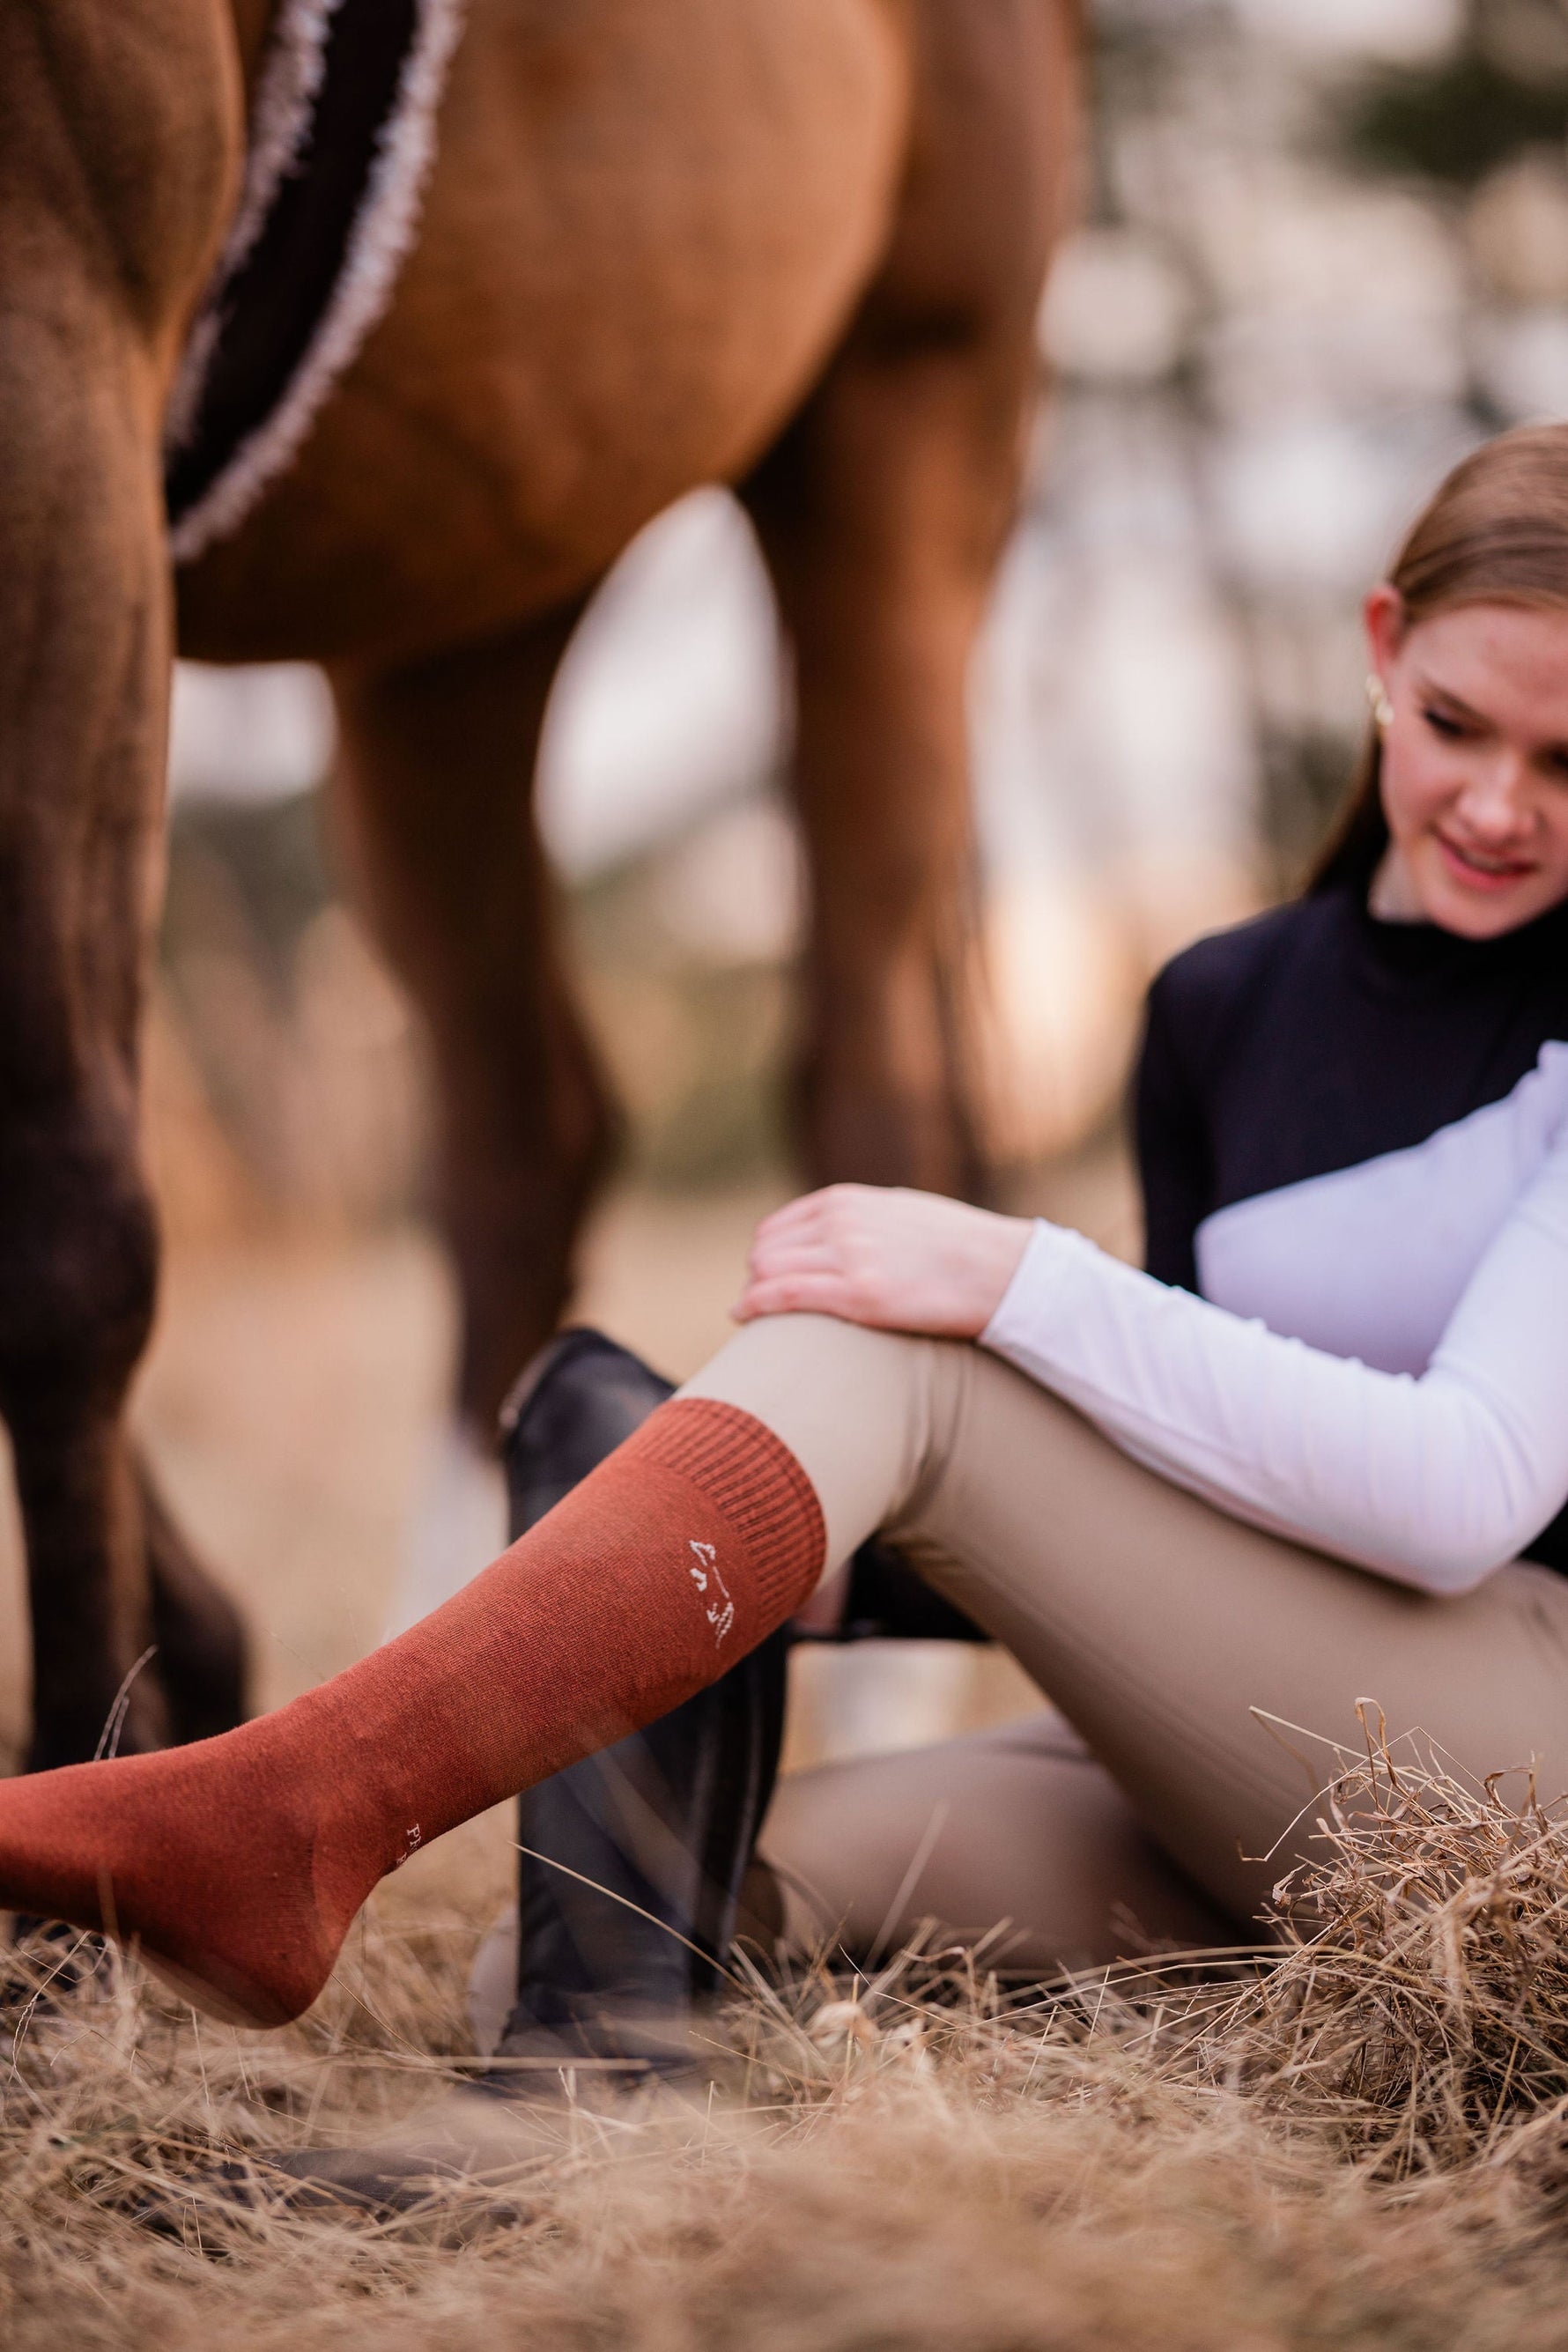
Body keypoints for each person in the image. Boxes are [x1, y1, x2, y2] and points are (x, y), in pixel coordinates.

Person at [2, 423, 1568, 2041]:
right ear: (1384, 646)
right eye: (1456, 725)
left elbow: (1458, 1493)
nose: (1497, 805)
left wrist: (1018, 1277)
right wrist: (803, 1565)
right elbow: (1179, 1479)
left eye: (1564, 764)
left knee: (901, 1356)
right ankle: (581, 2079)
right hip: (1273, 1760)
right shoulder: (1223, 1007)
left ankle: (292, 1813)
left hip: (1518, 1799)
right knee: (614, 1937)